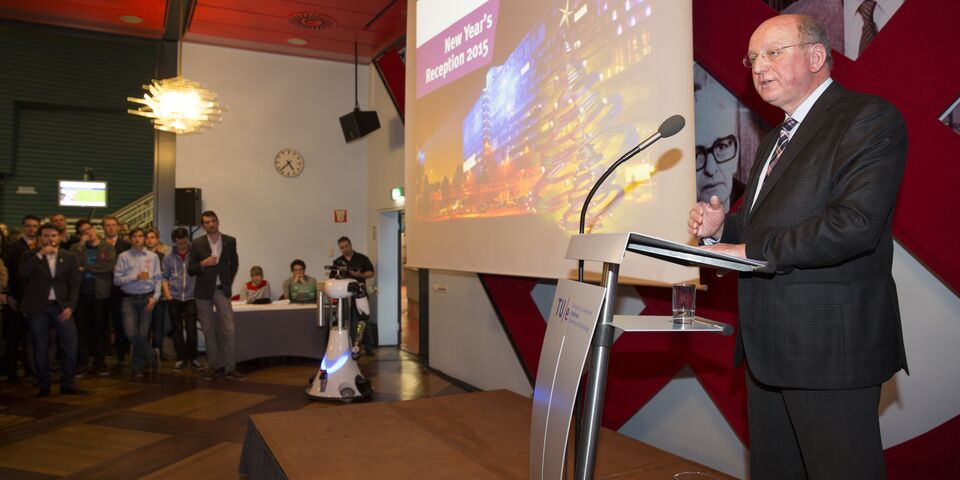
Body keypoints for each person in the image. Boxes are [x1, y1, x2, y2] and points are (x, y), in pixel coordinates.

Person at [687, 14, 907, 479]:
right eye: (752, 58)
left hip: (830, 349)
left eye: (772, 52)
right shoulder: (773, 142)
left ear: (817, 56)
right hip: (767, 351)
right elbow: (755, 226)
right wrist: (719, 229)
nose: (758, 67)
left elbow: (854, 225)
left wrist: (746, 252)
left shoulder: (867, 119)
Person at [19, 223, 85, 397]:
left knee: (70, 345)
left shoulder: (69, 257)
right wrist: (40, 254)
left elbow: (74, 284)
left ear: (60, 237)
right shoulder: (29, 255)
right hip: (38, 308)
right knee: (40, 346)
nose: (50, 239)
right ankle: (44, 384)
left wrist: (70, 306)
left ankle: (68, 383)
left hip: (61, 307)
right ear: (41, 237)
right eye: (46, 235)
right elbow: (22, 274)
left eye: (54, 235)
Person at [188, 211, 242, 380]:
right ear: (203, 226)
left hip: (221, 290)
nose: (210, 224)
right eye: (206, 222)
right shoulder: (197, 243)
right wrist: (202, 264)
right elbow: (191, 269)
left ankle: (230, 367)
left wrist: (227, 282)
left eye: (213, 221)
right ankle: (214, 366)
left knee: (229, 329)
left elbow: (234, 264)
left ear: (218, 222)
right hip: (203, 292)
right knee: (208, 330)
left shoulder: (229, 241)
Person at [113, 228, 162, 379]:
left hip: (147, 298)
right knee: (130, 333)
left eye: (140, 236)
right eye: (134, 236)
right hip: (129, 298)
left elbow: (158, 279)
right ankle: (151, 354)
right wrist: (135, 276)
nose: (137, 239)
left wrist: (155, 298)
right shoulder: (123, 257)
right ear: (130, 238)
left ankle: (137, 367)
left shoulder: (153, 257)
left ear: (145, 239)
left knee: (142, 334)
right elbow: (117, 280)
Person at [69, 219, 116, 376]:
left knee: (100, 330)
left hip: (100, 294)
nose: (87, 233)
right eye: (83, 231)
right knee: (82, 330)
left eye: (89, 229)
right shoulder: (76, 248)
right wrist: (81, 245)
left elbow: (107, 267)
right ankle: (82, 363)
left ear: (95, 229)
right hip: (81, 294)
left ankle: (100, 363)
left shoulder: (107, 247)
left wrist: (87, 268)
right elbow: (74, 266)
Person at [2, 215, 41, 383]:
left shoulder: (42, 247)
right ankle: (11, 372)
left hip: (35, 299)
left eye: (34, 226)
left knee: (32, 338)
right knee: (14, 337)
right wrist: (9, 294)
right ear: (23, 227)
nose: (31, 229)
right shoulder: (13, 247)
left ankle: (31, 369)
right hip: (17, 297)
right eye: (28, 226)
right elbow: (8, 272)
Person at [162, 228, 201, 373]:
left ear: (188, 239)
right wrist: (169, 296)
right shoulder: (168, 256)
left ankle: (194, 358)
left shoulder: (195, 253)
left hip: (191, 297)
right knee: (177, 330)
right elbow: (164, 277)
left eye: (185, 242)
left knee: (191, 330)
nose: (183, 246)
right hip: (174, 298)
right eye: (179, 243)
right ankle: (181, 359)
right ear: (175, 242)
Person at [330, 236, 375, 354]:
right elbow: (332, 278)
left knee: (363, 320)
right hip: (345, 297)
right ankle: (349, 345)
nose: (345, 249)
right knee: (347, 320)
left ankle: (368, 346)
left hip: (360, 294)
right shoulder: (337, 262)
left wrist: (360, 275)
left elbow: (371, 272)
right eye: (342, 248)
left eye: (346, 246)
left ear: (350, 244)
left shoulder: (362, 258)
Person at [102, 216, 131, 371]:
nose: (111, 228)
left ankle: (121, 356)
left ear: (119, 227)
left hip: (120, 291)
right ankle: (102, 357)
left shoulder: (126, 245)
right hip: (102, 289)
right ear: (103, 228)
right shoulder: (98, 244)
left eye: (114, 225)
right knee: (101, 324)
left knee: (120, 324)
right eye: (108, 225)